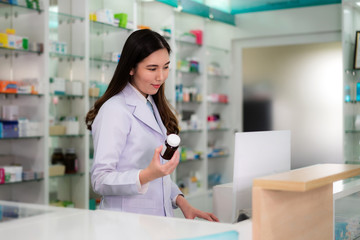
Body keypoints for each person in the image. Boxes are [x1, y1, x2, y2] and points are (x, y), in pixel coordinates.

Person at [86, 29, 218, 221]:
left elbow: (160, 174)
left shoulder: (151, 104)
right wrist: (146, 175)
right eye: (152, 68)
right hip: (125, 225)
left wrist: (181, 202)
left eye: (165, 67)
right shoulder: (115, 110)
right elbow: (100, 180)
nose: (161, 77)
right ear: (131, 68)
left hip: (158, 221)